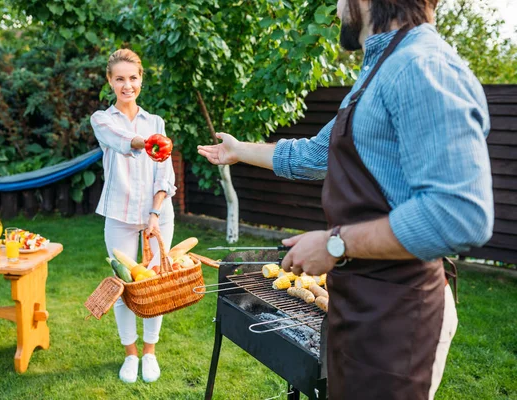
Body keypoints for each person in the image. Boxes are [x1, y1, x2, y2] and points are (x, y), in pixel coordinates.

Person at [198, 0, 494, 398]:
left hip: (397, 315)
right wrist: (238, 151)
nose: (337, 9)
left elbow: (460, 214)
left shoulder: (422, 65)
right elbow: (315, 155)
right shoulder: (380, 70)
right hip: (360, 302)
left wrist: (335, 243)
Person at [90, 49, 176, 384]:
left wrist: (155, 212)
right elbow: (122, 141)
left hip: (158, 215)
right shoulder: (102, 119)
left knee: (154, 284)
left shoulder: (157, 122)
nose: (128, 85)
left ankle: (150, 353)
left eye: (133, 78)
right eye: (120, 79)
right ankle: (129, 355)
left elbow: (164, 175)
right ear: (110, 81)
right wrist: (147, 142)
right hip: (119, 215)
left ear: (141, 79)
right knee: (125, 286)